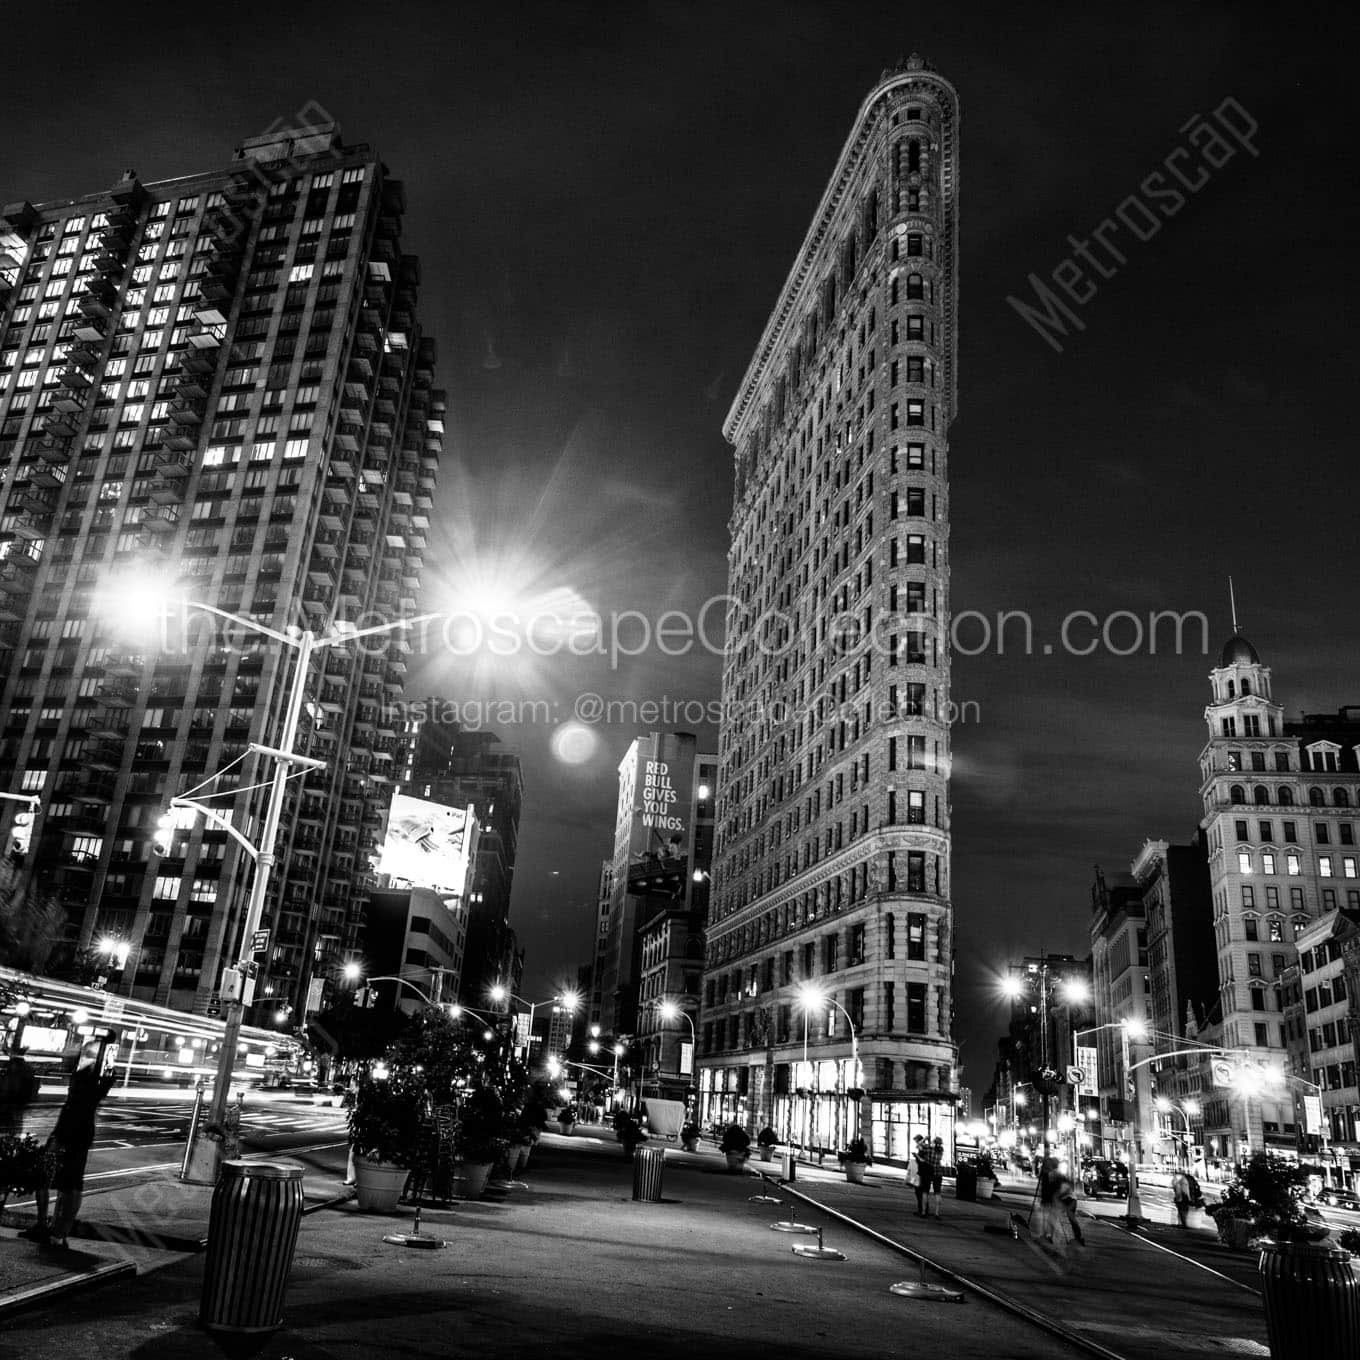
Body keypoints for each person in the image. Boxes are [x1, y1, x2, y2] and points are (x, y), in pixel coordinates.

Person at [25, 1040, 115, 1249]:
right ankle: (58, 1232)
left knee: (51, 1179)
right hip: (79, 1132)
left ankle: (52, 1230)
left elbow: (78, 1102)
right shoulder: (100, 1077)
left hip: (68, 1132)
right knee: (71, 1184)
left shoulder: (88, 1077)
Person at [1033, 1156, 1085, 1259]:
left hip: (1068, 1199)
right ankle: (1057, 1239)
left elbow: (1062, 1188)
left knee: (1064, 1218)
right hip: (1065, 1199)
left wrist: (1057, 1196)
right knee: (1057, 1219)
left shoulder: (1056, 1175)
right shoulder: (1053, 1174)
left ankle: (1073, 1240)